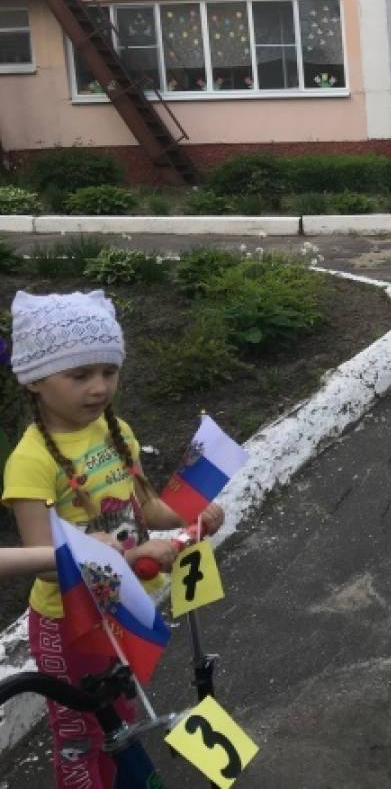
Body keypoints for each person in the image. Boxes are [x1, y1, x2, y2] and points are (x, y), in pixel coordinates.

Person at [2, 289, 224, 789]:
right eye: (79, 375)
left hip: (119, 611)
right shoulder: (31, 462)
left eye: (108, 371)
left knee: (121, 718)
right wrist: (130, 554)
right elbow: (43, 562)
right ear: (34, 380)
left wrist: (195, 515)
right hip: (68, 623)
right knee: (80, 733)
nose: (99, 387)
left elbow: (146, 507)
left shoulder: (113, 430)